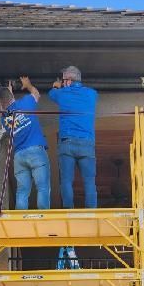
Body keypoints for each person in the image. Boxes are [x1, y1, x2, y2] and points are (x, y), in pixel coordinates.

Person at [0, 76, 50, 209]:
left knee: (22, 191)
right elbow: (36, 94)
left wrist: (8, 96)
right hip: (35, 150)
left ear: (2, 104)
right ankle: (43, 217)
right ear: (12, 96)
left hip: (19, 156)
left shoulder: (4, 120)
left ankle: (21, 219)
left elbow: (8, 109)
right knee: (42, 187)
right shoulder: (26, 102)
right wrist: (28, 85)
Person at [48, 66, 98, 208]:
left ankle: (68, 209)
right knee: (89, 181)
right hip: (87, 143)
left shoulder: (62, 93)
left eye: (64, 80)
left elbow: (52, 93)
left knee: (66, 180)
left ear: (69, 81)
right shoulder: (92, 94)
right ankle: (91, 210)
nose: (63, 83)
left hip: (67, 142)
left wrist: (57, 86)